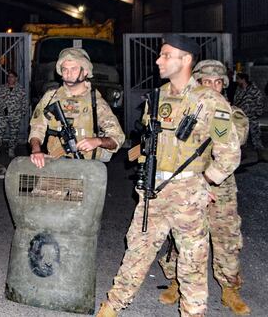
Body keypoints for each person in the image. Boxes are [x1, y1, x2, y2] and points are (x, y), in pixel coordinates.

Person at [97, 35, 241, 317]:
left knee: (192, 262)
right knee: (136, 252)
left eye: (165, 55)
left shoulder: (210, 101)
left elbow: (229, 153)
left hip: (188, 193)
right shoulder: (157, 97)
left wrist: (205, 181)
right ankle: (111, 307)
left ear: (186, 59)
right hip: (154, 191)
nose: (158, 60)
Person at [156, 59, 251, 315]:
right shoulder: (183, 110)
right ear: (197, 83)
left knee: (226, 237)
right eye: (206, 82)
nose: (212, 86)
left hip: (219, 185)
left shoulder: (232, 113)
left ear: (224, 86)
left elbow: (234, 139)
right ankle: (177, 281)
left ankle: (229, 289)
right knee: (182, 236)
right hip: (186, 184)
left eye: (217, 82)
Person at [28, 48, 123, 168]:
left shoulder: (96, 102)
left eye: (73, 68)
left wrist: (97, 141)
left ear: (85, 72)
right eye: (64, 69)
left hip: (86, 167)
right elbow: (37, 127)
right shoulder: (51, 97)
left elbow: (117, 138)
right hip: (55, 164)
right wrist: (36, 151)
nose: (68, 73)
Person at [0, 70, 28, 158]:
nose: (10, 78)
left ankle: (11, 150)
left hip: (15, 115)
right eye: (8, 76)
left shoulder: (20, 89)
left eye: (12, 76)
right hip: (3, 115)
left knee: (14, 133)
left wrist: (22, 113)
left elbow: (24, 102)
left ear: (16, 78)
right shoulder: (2, 88)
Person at [233, 72, 266, 158]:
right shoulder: (238, 89)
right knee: (242, 136)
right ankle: (242, 155)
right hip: (241, 117)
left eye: (238, 79)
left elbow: (260, 101)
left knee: (256, 136)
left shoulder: (254, 90)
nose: (237, 81)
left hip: (252, 116)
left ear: (243, 79)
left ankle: (261, 154)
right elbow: (236, 100)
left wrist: (257, 112)